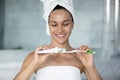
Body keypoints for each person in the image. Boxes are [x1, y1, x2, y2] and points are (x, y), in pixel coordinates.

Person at [14, 0, 102, 80]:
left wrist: (90, 66)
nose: (60, 30)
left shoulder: (80, 57)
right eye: (54, 25)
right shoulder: (34, 57)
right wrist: (34, 64)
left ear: (72, 24)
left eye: (65, 24)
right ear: (48, 26)